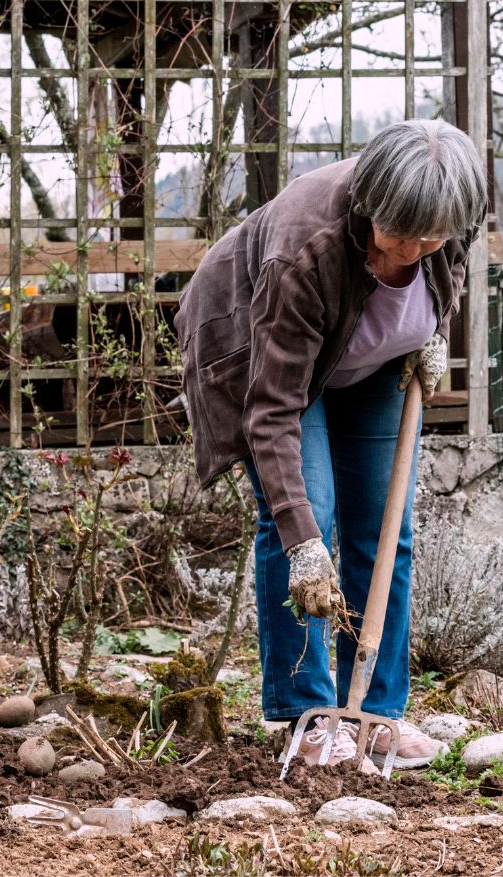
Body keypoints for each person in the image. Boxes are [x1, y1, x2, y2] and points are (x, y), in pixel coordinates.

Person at [175, 118, 487, 771]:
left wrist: (431, 335)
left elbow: (447, 274)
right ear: (371, 204)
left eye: (431, 238)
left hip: (371, 364)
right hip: (270, 363)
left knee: (384, 530)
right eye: (400, 236)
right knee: (305, 519)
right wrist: (305, 544)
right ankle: (310, 715)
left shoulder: (451, 216)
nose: (414, 250)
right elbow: (271, 412)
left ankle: (374, 712)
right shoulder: (302, 249)